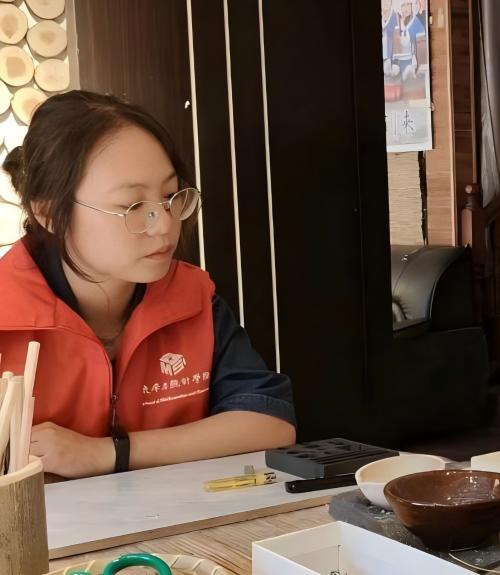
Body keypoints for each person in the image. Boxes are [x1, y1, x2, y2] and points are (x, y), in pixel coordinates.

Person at [0, 91, 296, 479]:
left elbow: (269, 423)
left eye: (171, 196)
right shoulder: (6, 315)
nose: (165, 224)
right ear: (49, 213)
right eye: (133, 206)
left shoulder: (191, 298)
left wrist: (107, 453)